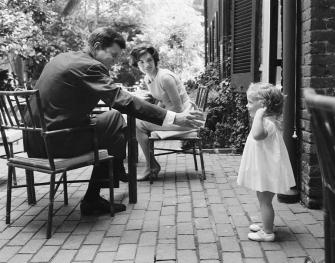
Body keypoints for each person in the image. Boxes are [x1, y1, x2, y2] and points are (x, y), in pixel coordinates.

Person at [24, 27, 203, 216]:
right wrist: (174, 117)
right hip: (54, 143)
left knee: (113, 118)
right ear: (97, 46)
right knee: (115, 123)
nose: (116, 61)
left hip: (34, 139)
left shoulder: (63, 58)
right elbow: (121, 100)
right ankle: (95, 195)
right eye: (114, 55)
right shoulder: (90, 66)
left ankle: (116, 169)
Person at [237, 82, 296, 242]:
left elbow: (257, 135)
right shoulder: (267, 120)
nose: (247, 105)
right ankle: (266, 224)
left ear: (262, 105)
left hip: (268, 171)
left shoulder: (267, 123)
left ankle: (267, 232)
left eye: (250, 102)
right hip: (265, 168)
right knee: (263, 199)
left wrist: (258, 116)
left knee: (265, 201)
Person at [130, 46, 197, 181]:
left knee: (137, 124)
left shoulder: (165, 77)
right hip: (176, 117)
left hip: (186, 119)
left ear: (155, 60)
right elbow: (162, 101)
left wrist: (154, 115)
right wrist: (152, 110)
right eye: (141, 62)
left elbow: (178, 109)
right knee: (137, 121)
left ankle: (151, 166)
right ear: (137, 64)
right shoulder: (148, 78)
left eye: (149, 60)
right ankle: (151, 164)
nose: (146, 65)